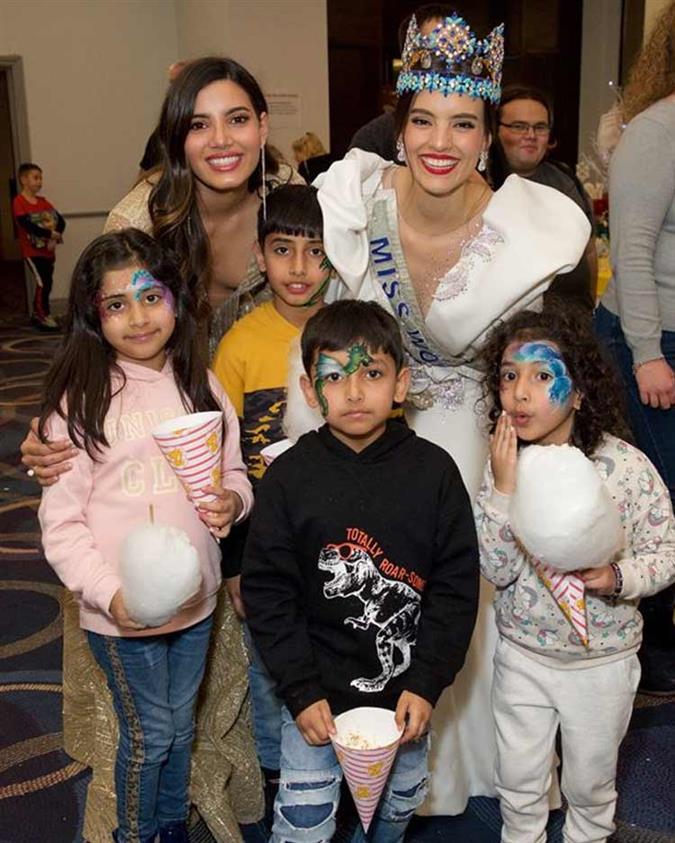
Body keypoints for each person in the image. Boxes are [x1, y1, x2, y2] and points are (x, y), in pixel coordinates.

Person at [311, 9, 591, 814]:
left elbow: (547, 358)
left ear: (486, 135)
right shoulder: (352, 200)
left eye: (463, 123)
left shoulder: (528, 227)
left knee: (469, 579)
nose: (442, 140)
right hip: (367, 422)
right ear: (398, 128)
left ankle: (463, 766)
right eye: (424, 120)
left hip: (475, 432)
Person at [36, 229, 254, 843]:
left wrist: (233, 501)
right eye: (116, 304)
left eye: (151, 297)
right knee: (149, 734)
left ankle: (169, 826)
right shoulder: (80, 402)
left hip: (196, 605)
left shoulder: (202, 388)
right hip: (121, 615)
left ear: (178, 302)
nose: (138, 317)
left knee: (181, 727)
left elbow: (233, 472)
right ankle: (137, 833)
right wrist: (110, 594)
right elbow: (62, 524)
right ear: (92, 316)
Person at [241, 300, 479, 843]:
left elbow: (455, 588)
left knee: (395, 807)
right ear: (308, 390)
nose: (353, 392)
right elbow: (268, 592)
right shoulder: (288, 478)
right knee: (304, 823)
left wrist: (426, 683)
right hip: (314, 696)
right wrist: (300, 690)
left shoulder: (435, 473)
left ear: (401, 384)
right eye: (333, 376)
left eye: (371, 373)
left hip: (403, 699)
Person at [475, 306, 675, 842]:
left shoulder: (624, 468)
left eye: (542, 377)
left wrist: (618, 576)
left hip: (601, 663)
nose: (520, 393)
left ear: (580, 391)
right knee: (518, 779)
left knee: (590, 782)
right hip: (523, 654)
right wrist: (501, 492)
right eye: (509, 376)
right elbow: (494, 567)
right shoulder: (503, 468)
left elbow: (665, 552)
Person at [212, 183, 332, 819]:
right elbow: (223, 465)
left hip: (339, 544)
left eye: (315, 252)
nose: (299, 268)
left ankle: (336, 779)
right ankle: (275, 783)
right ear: (260, 254)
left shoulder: (350, 331)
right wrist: (235, 562)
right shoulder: (239, 345)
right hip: (266, 548)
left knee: (336, 657)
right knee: (269, 668)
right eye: (283, 250)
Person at [594, 0, 675, 694]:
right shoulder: (655, 130)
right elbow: (634, 249)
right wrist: (647, 351)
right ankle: (639, 651)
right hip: (650, 338)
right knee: (659, 496)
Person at [491, 84, 597, 310]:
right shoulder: (481, 188)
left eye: (539, 127)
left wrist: (589, 309)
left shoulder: (566, 179)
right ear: (494, 131)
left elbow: (589, 251)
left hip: (573, 320)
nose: (530, 136)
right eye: (519, 126)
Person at [12, 162, 66, 330]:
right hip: (32, 251)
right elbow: (26, 225)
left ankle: (42, 313)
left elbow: (60, 221)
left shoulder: (43, 202)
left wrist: (54, 236)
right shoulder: (19, 202)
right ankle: (42, 315)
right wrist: (49, 234)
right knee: (43, 283)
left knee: (47, 282)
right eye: (35, 178)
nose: (39, 181)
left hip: (48, 251)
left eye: (40, 178)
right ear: (23, 180)